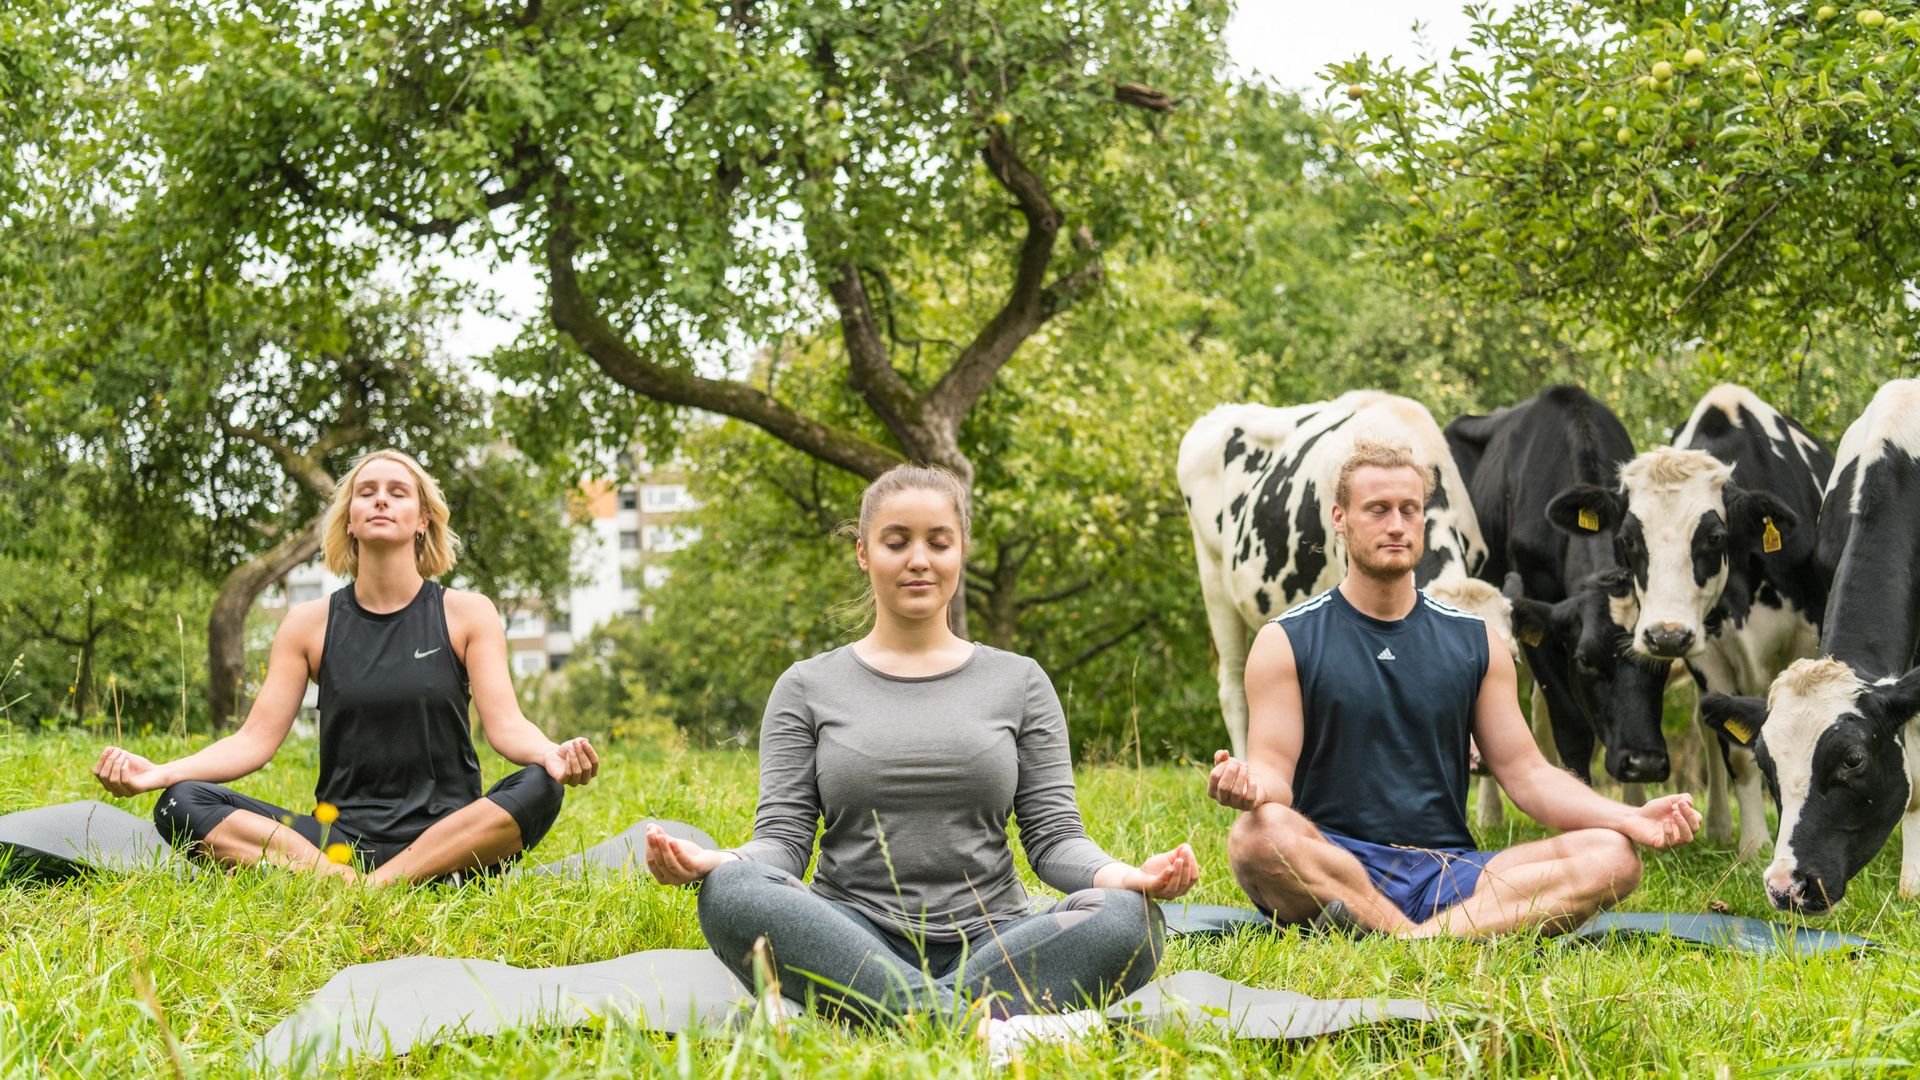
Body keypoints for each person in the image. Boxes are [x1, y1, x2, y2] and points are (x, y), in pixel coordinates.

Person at [644, 464, 1196, 1053]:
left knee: (1130, 920)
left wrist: (1127, 876)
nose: (919, 559)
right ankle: (987, 1030)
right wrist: (720, 860)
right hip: (851, 934)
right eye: (896, 541)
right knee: (734, 891)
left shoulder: (1021, 681)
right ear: (863, 553)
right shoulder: (805, 686)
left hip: (998, 937)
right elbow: (782, 839)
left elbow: (1055, 837)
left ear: (960, 552)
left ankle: (852, 1011)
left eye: (938, 541)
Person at [1208, 441, 1701, 937]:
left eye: (1410, 510)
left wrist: (1630, 816)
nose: (1397, 525)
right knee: (1255, 836)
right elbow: (1273, 775)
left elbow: (1527, 774)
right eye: (1377, 510)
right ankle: (1435, 935)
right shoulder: (1286, 640)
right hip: (1334, 864)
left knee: (1613, 855)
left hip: (1451, 873)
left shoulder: (1474, 639)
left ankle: (1412, 939)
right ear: (1340, 518)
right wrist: (1248, 786)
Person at [91, 448, 599, 885]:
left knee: (540, 785)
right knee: (182, 803)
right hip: (339, 843)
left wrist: (554, 754)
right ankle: (337, 880)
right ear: (349, 518)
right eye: (366, 492)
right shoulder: (307, 624)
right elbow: (254, 741)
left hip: (450, 839)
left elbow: (507, 727)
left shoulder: (467, 613)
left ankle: (380, 886)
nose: (380, 498)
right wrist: (158, 774)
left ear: (423, 519)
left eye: (398, 492)